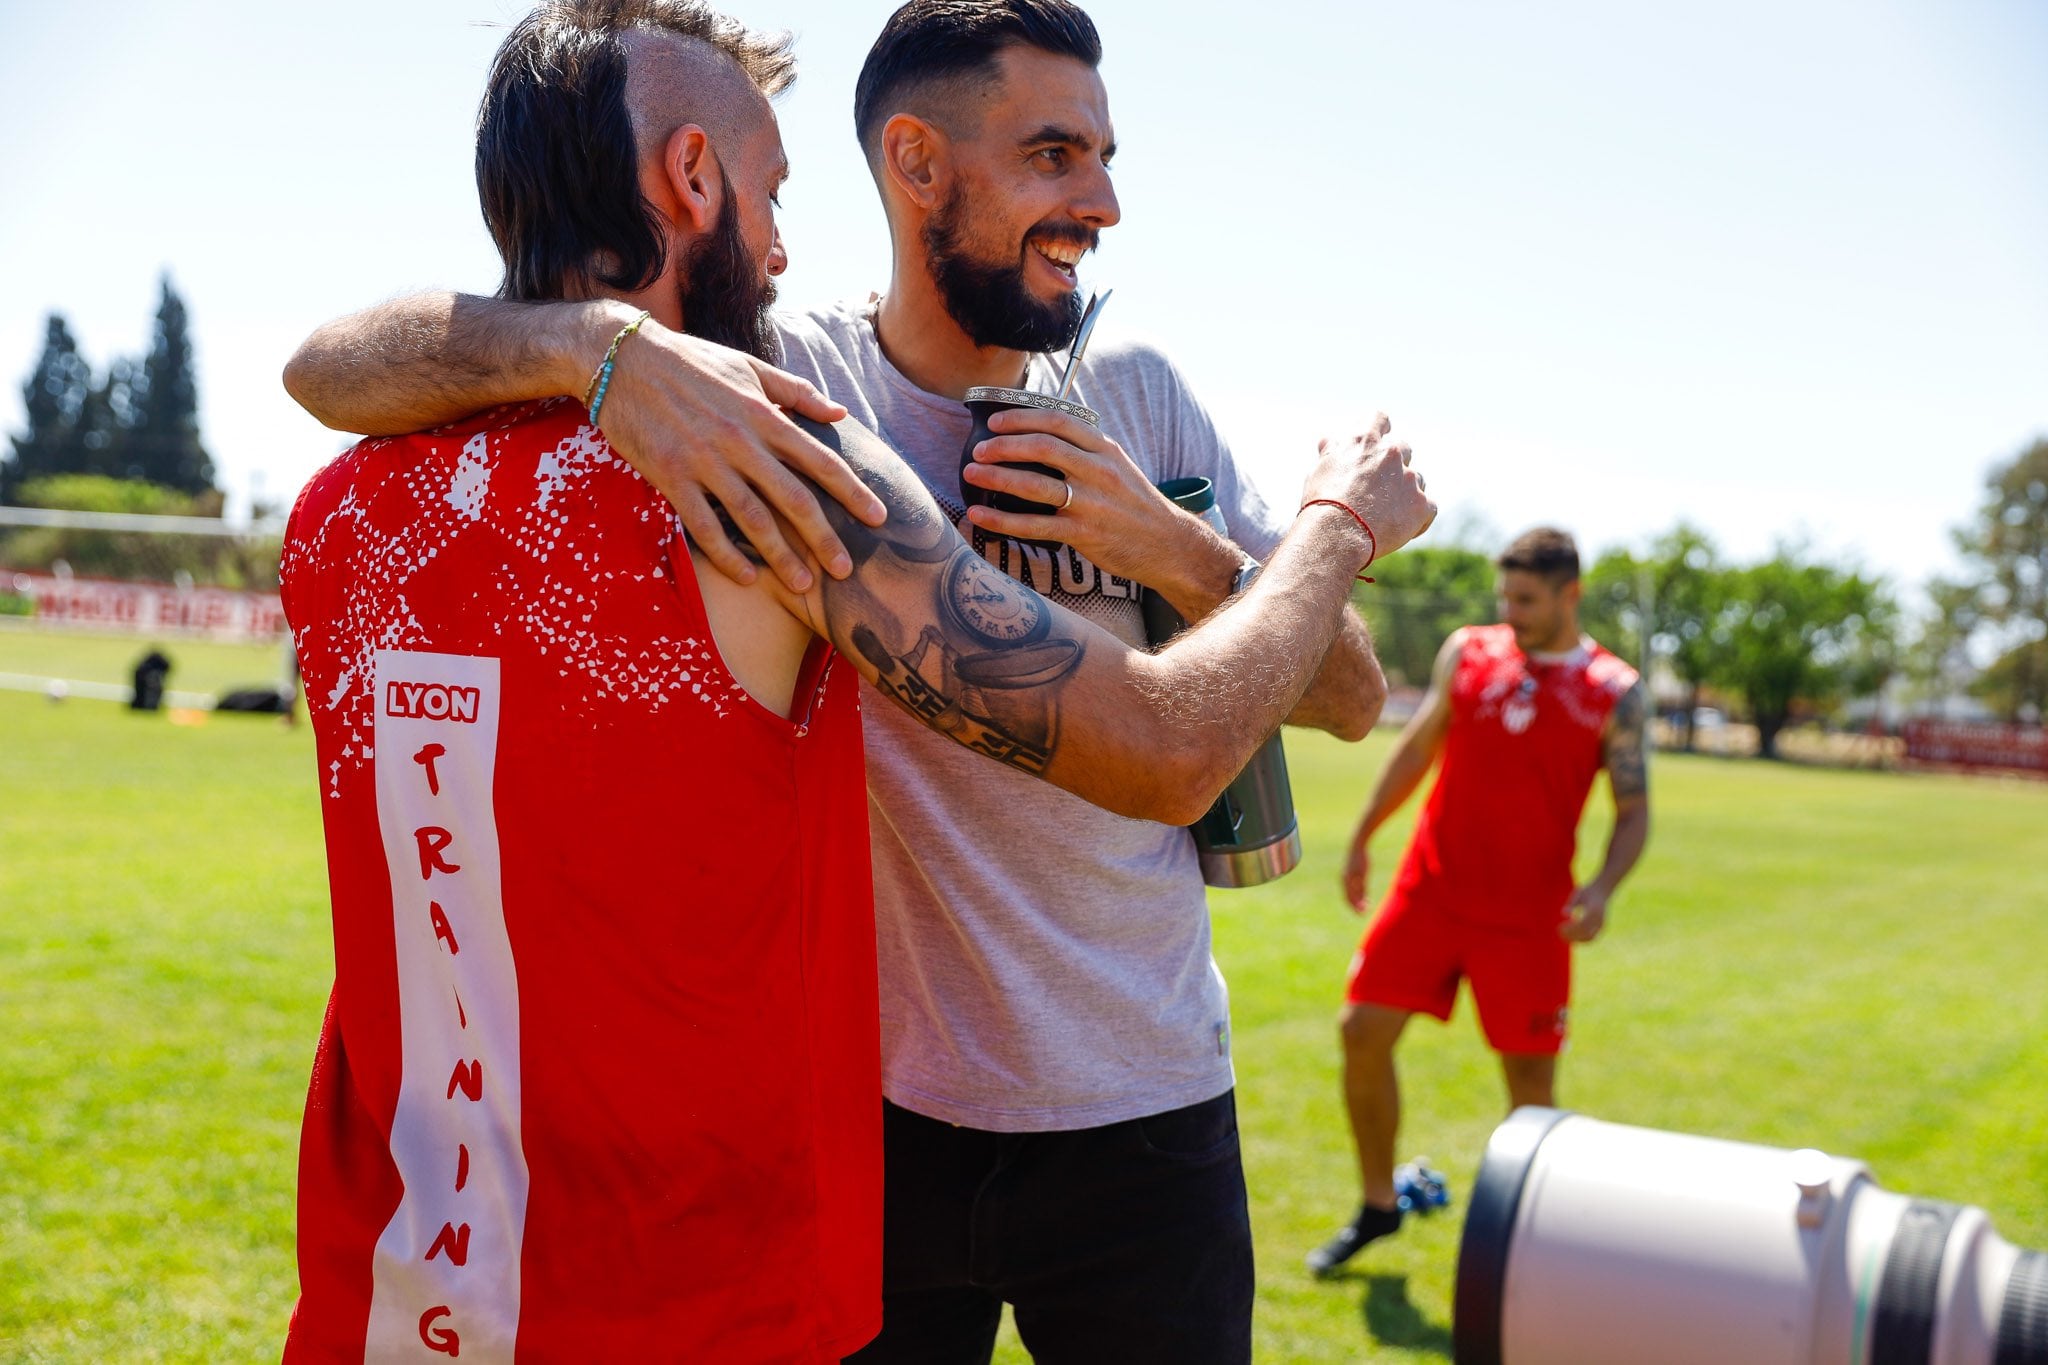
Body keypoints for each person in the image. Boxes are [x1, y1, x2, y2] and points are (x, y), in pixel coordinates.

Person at [277, 2, 1434, 1360]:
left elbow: (322, 365)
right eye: (1055, 153)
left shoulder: (333, 514)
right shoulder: (782, 441)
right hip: (784, 1208)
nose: (778, 245)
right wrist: (1342, 522)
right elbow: (1168, 748)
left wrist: (1179, 550)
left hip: (418, 1285)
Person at [1307, 527, 1651, 1277]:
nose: (1511, 611)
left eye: (1526, 599)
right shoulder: (1469, 651)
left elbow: (1634, 810)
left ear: (1571, 593)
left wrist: (1601, 888)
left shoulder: (1614, 689)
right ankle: (1376, 1205)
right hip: (1431, 890)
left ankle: (1529, 1251)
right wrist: (1365, 830)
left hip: (1531, 919)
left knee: (1530, 1093)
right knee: (1360, 1030)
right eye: (1505, 595)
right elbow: (1419, 745)